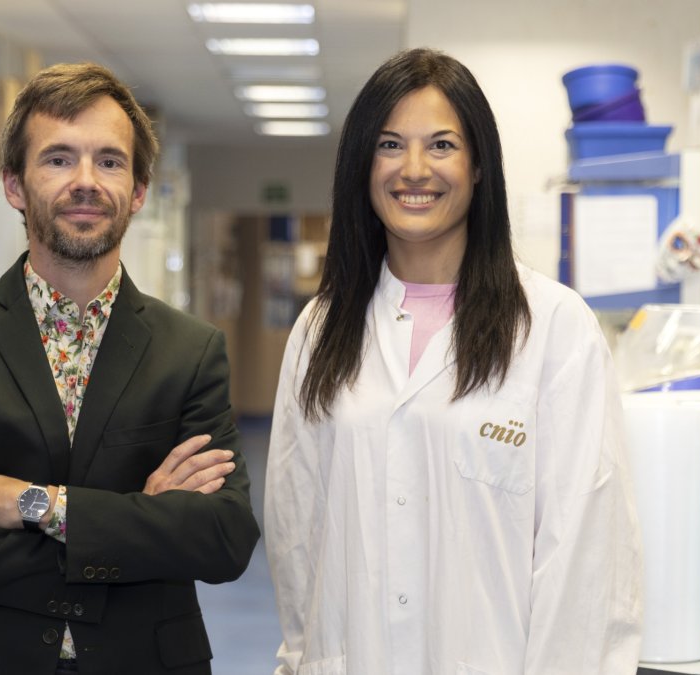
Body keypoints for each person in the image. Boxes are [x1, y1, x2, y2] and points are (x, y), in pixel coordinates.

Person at [264, 48, 643, 675]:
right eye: (389, 145)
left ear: (478, 167)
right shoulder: (320, 329)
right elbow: (295, 526)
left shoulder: (552, 326)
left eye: (441, 145)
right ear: (363, 165)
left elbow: (584, 555)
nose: (414, 169)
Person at [0, 62, 261, 675]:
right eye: (58, 159)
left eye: (110, 161)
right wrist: (138, 521)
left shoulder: (190, 351)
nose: (85, 182)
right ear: (14, 184)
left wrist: (42, 506)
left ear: (138, 190)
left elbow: (222, 539)